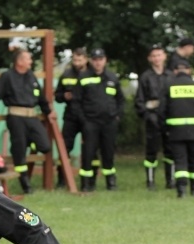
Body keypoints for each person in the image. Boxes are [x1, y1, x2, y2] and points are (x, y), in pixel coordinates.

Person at [0, 48, 57, 194]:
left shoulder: (31, 76)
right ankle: (25, 185)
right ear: (20, 61)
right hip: (16, 117)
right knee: (19, 150)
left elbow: (41, 98)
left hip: (32, 117)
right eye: (28, 58)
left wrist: (49, 112)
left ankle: (30, 140)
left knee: (45, 146)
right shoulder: (8, 77)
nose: (31, 61)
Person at [158, 59, 194, 198]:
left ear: (175, 71)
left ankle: (181, 190)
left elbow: (162, 111)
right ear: (189, 70)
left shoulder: (169, 86)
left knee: (180, 160)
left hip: (175, 131)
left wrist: (164, 128)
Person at [80, 48, 125, 191]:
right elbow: (77, 101)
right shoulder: (83, 77)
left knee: (108, 152)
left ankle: (111, 183)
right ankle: (87, 183)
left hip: (109, 122)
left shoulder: (112, 77)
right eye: (95, 59)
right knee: (88, 153)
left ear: (105, 60)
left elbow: (120, 100)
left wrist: (117, 115)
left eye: (100, 59)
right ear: (91, 61)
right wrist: (84, 120)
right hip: (90, 122)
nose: (98, 62)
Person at [135, 44, 174, 190]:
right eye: (154, 56)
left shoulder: (171, 76)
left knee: (170, 150)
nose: (157, 58)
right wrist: (146, 114)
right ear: (149, 59)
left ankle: (171, 180)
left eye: (159, 55)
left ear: (164, 56)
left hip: (169, 119)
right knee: (151, 151)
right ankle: (150, 181)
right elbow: (139, 100)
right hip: (152, 118)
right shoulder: (145, 77)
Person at [54, 47, 95, 188]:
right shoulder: (66, 74)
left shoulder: (92, 74)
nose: (77, 62)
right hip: (71, 116)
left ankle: (89, 181)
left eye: (80, 59)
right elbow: (57, 95)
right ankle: (61, 179)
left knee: (90, 148)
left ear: (86, 59)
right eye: (75, 59)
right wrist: (63, 96)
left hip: (88, 116)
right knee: (65, 148)